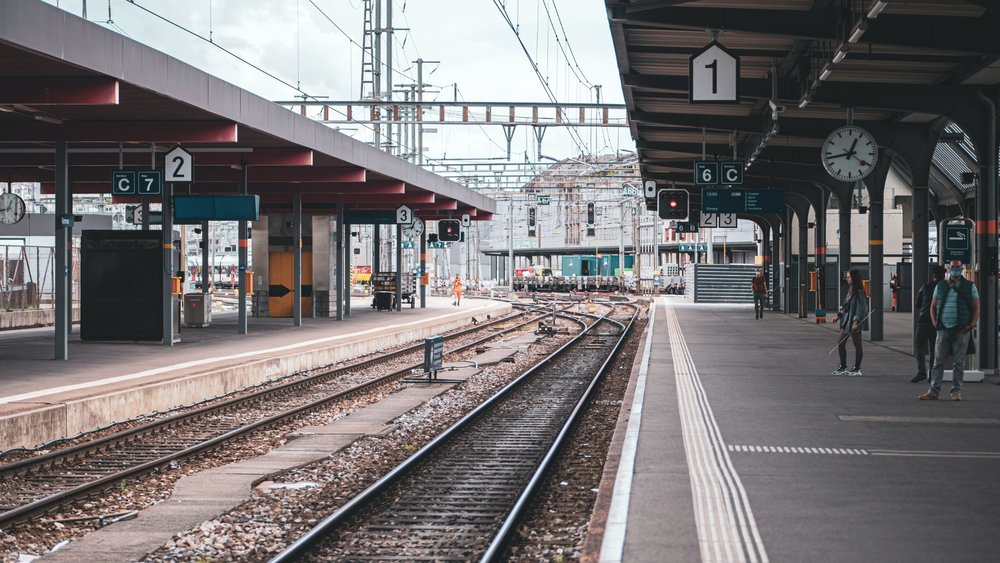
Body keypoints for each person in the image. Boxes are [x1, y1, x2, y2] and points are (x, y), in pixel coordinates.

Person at [920, 259, 979, 401]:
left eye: (958, 267)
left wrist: (971, 324)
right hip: (942, 329)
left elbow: (976, 307)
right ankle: (933, 391)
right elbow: (933, 306)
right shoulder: (940, 286)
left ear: (962, 268)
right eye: (953, 267)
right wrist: (934, 322)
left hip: (961, 330)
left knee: (958, 363)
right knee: (937, 362)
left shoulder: (970, 286)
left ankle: (956, 392)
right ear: (948, 268)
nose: (955, 270)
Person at [831, 269, 868, 376]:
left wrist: (856, 321)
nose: (847, 279)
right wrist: (838, 316)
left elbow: (862, 308)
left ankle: (857, 368)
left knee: (857, 345)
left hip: (854, 322)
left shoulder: (859, 291)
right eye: (847, 277)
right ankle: (843, 366)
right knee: (840, 343)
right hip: (847, 321)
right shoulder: (851, 290)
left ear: (854, 278)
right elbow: (845, 305)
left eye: (849, 277)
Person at [911, 265, 945, 383]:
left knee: (919, 347)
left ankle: (921, 372)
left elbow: (918, 304)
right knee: (934, 349)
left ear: (933, 275)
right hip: (938, 323)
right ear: (944, 275)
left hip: (923, 320)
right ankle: (932, 374)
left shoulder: (925, 287)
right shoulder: (946, 288)